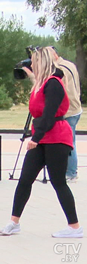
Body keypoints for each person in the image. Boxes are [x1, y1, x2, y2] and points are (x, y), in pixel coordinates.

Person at [0, 47, 82, 238]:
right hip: (42, 135)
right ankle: (14, 221)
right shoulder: (41, 83)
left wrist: (34, 139)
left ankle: (74, 226)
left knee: (58, 181)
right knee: (25, 179)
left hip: (56, 137)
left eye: (34, 61)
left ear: (42, 62)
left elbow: (50, 115)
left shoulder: (54, 84)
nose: (31, 65)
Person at [50, 47, 82, 182]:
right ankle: (68, 171)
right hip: (76, 108)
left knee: (68, 143)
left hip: (69, 110)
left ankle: (71, 173)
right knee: (70, 141)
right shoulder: (69, 64)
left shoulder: (59, 70)